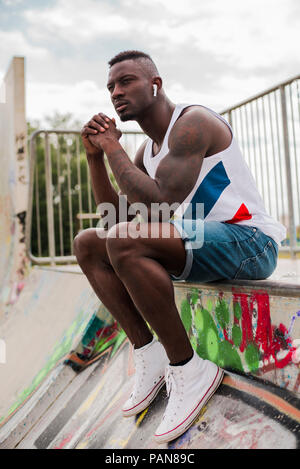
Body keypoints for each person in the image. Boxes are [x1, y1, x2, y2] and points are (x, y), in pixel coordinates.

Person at [74, 50, 286, 444]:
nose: (116, 93)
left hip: (249, 241)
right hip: (202, 242)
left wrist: (112, 148)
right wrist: (95, 158)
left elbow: (159, 204)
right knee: (88, 243)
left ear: (155, 84)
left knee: (123, 240)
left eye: (126, 82)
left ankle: (189, 368)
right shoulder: (146, 153)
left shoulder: (194, 123)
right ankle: (148, 353)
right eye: (110, 88)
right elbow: (112, 219)